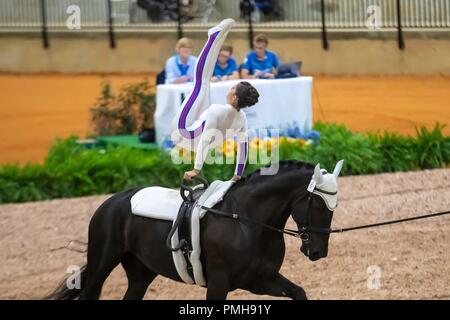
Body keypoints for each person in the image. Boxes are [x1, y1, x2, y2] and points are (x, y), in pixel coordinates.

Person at [183, 82, 259, 182]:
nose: (229, 89)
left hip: (185, 134)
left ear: (234, 97)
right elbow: (243, 148)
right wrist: (238, 174)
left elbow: (205, 140)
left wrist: (196, 170)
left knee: (199, 87)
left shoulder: (216, 109)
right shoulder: (242, 118)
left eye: (233, 87)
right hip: (203, 143)